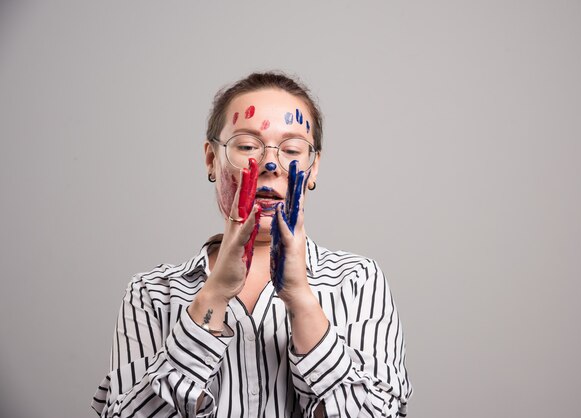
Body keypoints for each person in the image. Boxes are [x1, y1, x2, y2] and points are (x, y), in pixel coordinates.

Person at [92, 72, 412, 417]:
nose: (269, 165)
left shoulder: (357, 282)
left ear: (314, 167)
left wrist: (302, 300)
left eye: (291, 149)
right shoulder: (152, 293)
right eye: (246, 146)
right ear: (211, 160)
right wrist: (214, 293)